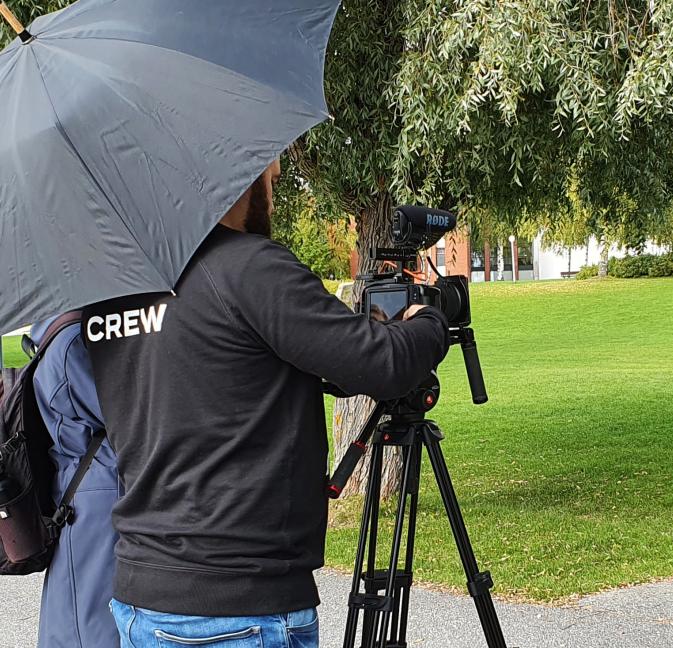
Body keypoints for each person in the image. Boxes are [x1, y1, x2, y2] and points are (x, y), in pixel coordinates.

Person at [82, 157, 450, 648]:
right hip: (238, 607)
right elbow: (381, 363)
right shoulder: (250, 268)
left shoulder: (113, 289)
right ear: (239, 178)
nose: (275, 187)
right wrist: (430, 320)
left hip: (140, 599)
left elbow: (217, 375)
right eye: (270, 178)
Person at [29, 315, 119, 648]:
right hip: (97, 487)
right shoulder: (74, 340)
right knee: (91, 622)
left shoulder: (66, 334)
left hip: (86, 485)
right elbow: (122, 412)